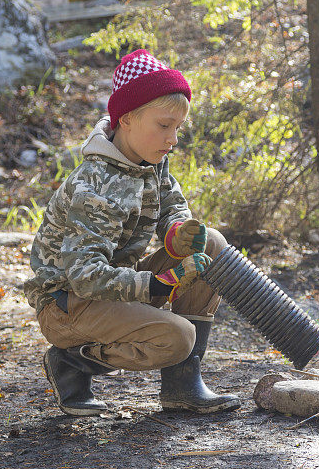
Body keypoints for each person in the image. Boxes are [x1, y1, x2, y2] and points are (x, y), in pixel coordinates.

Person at [23, 49, 240, 416]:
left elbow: (173, 204)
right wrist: (158, 285)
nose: (172, 138)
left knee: (212, 244)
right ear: (126, 119)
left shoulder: (150, 159)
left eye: (178, 128)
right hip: (69, 304)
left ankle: (182, 386)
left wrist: (176, 233)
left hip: (112, 291)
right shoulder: (96, 185)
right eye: (164, 125)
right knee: (177, 337)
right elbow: (84, 275)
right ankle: (73, 361)